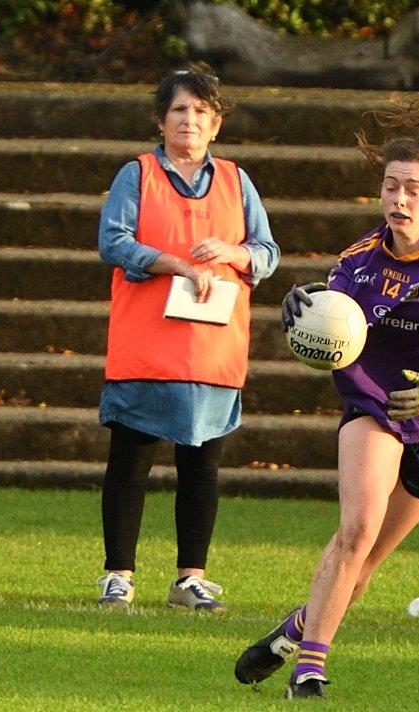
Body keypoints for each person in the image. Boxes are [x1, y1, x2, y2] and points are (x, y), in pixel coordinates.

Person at [233, 95, 419, 699]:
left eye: (413, 188)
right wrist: (299, 316)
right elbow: (331, 330)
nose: (399, 199)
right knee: (356, 529)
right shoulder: (356, 261)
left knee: (360, 569)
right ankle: (310, 671)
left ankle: (293, 633)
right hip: (377, 408)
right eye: (391, 186)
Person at [94, 63, 280, 613]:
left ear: (216, 123)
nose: (190, 121)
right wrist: (174, 263)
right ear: (161, 119)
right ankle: (119, 575)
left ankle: (190, 577)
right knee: (130, 460)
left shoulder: (236, 181)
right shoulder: (138, 175)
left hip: (212, 348)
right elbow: (113, 241)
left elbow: (267, 253)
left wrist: (234, 253)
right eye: (179, 110)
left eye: (201, 111)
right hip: (146, 344)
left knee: (202, 463)